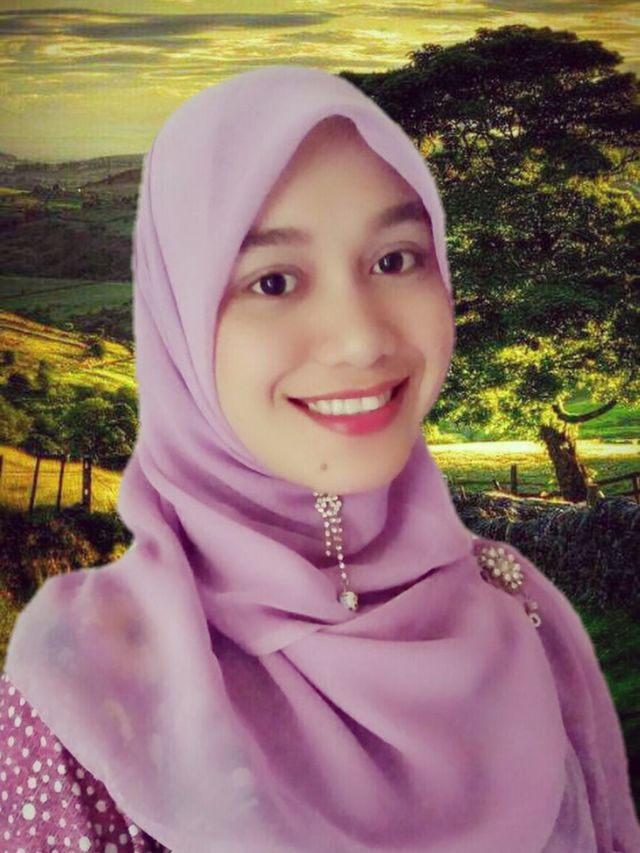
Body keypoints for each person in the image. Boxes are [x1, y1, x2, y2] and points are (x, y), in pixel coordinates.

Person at [1, 64, 638, 852]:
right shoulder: (89, 687)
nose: (362, 338)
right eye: (273, 281)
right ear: (179, 325)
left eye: (395, 260)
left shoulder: (524, 610)